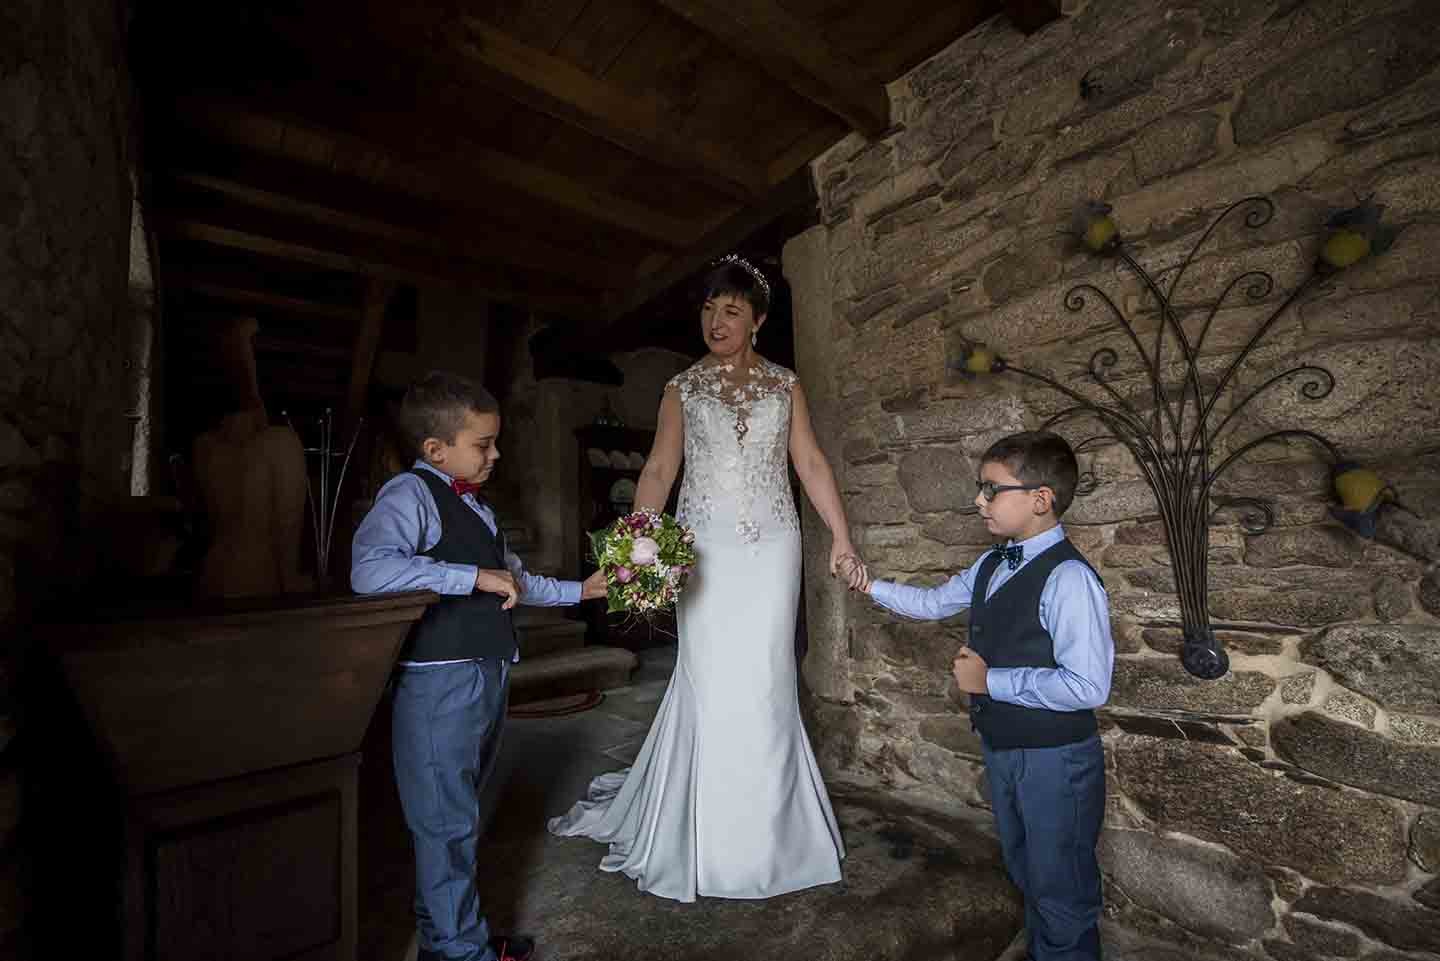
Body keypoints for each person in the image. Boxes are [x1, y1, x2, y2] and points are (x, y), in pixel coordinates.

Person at [547, 254, 868, 902]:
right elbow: (662, 469)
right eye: (707, 309)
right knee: (712, 678)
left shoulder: (785, 385)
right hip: (704, 550)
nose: (715, 321)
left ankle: (775, 835)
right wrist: (640, 538)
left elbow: (807, 459)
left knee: (768, 681)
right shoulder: (680, 388)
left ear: (757, 319)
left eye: (730, 310)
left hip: (773, 547)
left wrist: (841, 533)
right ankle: (709, 837)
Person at [351, 371, 606, 961]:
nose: (495, 455)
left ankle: (450, 940)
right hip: (440, 681)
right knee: (444, 827)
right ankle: (462, 953)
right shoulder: (409, 495)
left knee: (458, 819)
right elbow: (369, 572)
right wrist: (468, 577)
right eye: (482, 444)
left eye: (495, 443)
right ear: (435, 450)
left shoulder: (478, 508)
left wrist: (583, 591)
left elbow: (517, 583)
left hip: (485, 675)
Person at [859, 431, 1113, 961]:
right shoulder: (994, 562)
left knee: (1060, 887)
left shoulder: (1069, 578)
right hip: (1004, 748)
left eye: (992, 489)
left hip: (1055, 760)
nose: (979, 500)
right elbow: (933, 603)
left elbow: (1088, 686)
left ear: (1040, 499)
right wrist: (867, 585)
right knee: (1026, 871)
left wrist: (989, 682)